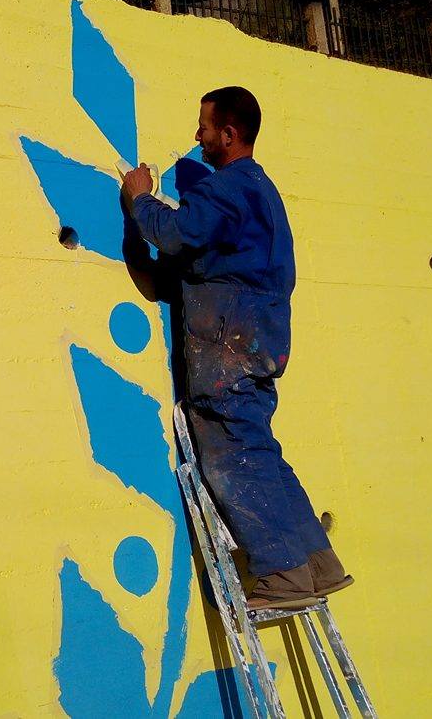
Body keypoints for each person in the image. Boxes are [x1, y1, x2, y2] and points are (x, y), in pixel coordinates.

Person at [121, 86, 353, 610]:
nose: (197, 136)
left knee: (231, 458)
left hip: (228, 349)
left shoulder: (228, 189)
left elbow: (175, 233)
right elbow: (215, 260)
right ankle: (317, 564)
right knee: (260, 451)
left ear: (228, 135)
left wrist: (139, 196)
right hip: (258, 341)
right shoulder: (260, 192)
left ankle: (281, 576)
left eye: (203, 127)